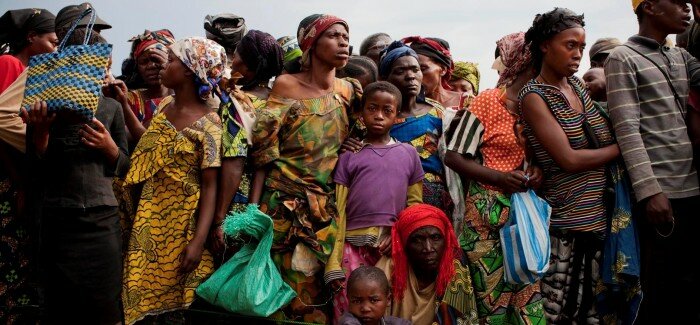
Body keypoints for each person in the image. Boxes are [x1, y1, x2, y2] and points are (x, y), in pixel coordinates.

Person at [521, 8, 642, 324]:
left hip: (601, 223)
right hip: (567, 228)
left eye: (581, 47)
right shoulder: (534, 97)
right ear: (545, 45)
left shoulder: (575, 86)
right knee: (564, 315)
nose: (577, 54)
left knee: (599, 316)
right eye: (569, 45)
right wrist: (624, 148)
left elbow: (600, 135)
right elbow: (569, 159)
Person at [248, 14, 360, 324]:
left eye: (345, 35)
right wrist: (254, 208)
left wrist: (351, 145)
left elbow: (359, 136)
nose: (343, 41)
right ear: (310, 44)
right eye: (333, 35)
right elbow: (264, 150)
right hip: (281, 206)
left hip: (324, 211)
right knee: (281, 294)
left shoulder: (350, 91)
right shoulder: (287, 85)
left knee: (316, 298)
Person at [21, 18, 128, 323]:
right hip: (58, 221)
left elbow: (126, 166)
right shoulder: (44, 109)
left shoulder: (111, 108)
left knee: (105, 308)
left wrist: (110, 148)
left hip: (102, 221)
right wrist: (40, 137)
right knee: (59, 308)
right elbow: (33, 173)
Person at [606, 1, 700, 323]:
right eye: (676, 1)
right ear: (648, 7)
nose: (685, 7)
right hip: (662, 195)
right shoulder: (623, 57)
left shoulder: (682, 56)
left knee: (689, 286)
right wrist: (649, 191)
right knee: (661, 289)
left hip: (693, 187)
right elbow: (627, 129)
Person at [121, 37, 226, 324]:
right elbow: (149, 143)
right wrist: (122, 102)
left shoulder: (211, 123)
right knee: (140, 294)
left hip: (183, 224)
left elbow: (210, 187)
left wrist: (197, 242)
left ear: (191, 70)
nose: (164, 66)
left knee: (178, 304)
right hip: (150, 216)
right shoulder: (165, 105)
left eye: (172, 60)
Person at [444, 31, 546, 324]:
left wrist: (537, 169)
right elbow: (454, 156)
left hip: (525, 213)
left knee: (529, 303)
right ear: (526, 59)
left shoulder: (537, 103)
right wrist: (500, 178)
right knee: (493, 305)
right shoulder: (486, 102)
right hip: (486, 217)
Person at [330, 81, 424, 322]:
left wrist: (396, 236)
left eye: (387, 110)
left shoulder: (409, 154)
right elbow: (339, 209)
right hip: (352, 248)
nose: (379, 116)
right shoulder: (349, 156)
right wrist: (334, 260)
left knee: (383, 309)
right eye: (372, 109)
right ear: (361, 113)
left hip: (390, 248)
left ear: (397, 116)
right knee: (352, 309)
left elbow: (414, 208)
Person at [0, 8, 56, 323]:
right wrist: (20, 183)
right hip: (9, 178)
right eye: (50, 42)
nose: (54, 50)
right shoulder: (11, 64)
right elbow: (1, 128)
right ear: (31, 37)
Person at [209, 30, 284, 257]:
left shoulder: (238, 103)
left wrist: (220, 218)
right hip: (271, 200)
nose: (233, 58)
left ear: (249, 65)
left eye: (238, 53)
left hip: (238, 203)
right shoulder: (279, 100)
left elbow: (235, 160)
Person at [378, 41, 453, 214]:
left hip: (434, 200)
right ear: (384, 78)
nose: (410, 76)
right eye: (400, 71)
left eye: (415, 69)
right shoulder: (376, 118)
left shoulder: (439, 113)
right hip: (388, 197)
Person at [376, 203, 478, 325]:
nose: (428, 248)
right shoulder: (389, 268)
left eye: (435, 238)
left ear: (445, 240)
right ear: (405, 244)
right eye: (417, 240)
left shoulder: (455, 265)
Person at [403, 36, 466, 109]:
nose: (415, 76)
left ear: (443, 69)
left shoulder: (466, 102)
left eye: (423, 69)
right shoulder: (404, 108)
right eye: (413, 70)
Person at [338, 266, 410, 325]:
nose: (365, 309)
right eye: (357, 301)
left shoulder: (397, 323)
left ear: (388, 299)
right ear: (348, 300)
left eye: (373, 300)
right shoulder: (348, 322)